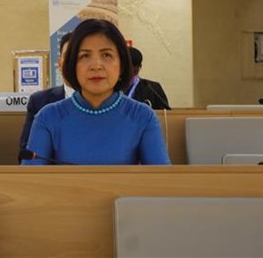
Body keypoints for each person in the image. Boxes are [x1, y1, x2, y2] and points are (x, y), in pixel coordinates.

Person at [23, 19, 170, 165]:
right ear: (72, 65)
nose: (96, 66)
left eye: (106, 55)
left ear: (122, 65)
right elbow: (31, 177)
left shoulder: (143, 116)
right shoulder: (47, 117)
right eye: (85, 56)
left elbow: (160, 177)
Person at [18, 32, 73, 161]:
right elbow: (28, 154)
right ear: (59, 64)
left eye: (80, 56)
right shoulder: (40, 102)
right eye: (69, 56)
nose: (73, 62)